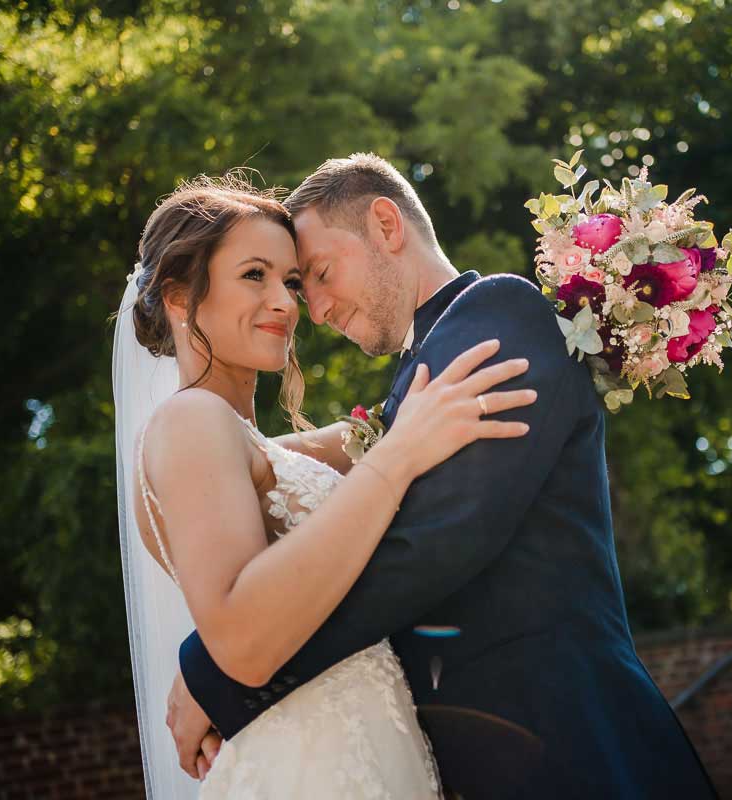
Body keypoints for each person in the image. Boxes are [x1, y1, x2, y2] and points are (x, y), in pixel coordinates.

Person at [169, 155, 720, 799]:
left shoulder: (499, 314)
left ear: (386, 223)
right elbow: (282, 462)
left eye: (318, 274)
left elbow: (438, 543)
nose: (312, 310)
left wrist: (224, 670)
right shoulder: (417, 385)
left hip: (574, 747)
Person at [112, 173, 536, 797]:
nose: (288, 303)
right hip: (309, 763)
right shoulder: (188, 422)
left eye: (291, 280)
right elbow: (241, 639)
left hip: (373, 747)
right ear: (178, 298)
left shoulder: (246, 444)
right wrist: (393, 463)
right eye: (254, 275)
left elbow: (376, 435)